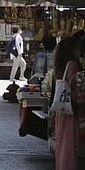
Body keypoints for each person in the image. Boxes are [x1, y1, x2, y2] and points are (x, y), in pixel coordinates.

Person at [54, 37, 82, 170]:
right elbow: (74, 84)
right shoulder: (72, 64)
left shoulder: (61, 64)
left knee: (63, 141)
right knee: (70, 142)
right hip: (70, 109)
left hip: (63, 109)